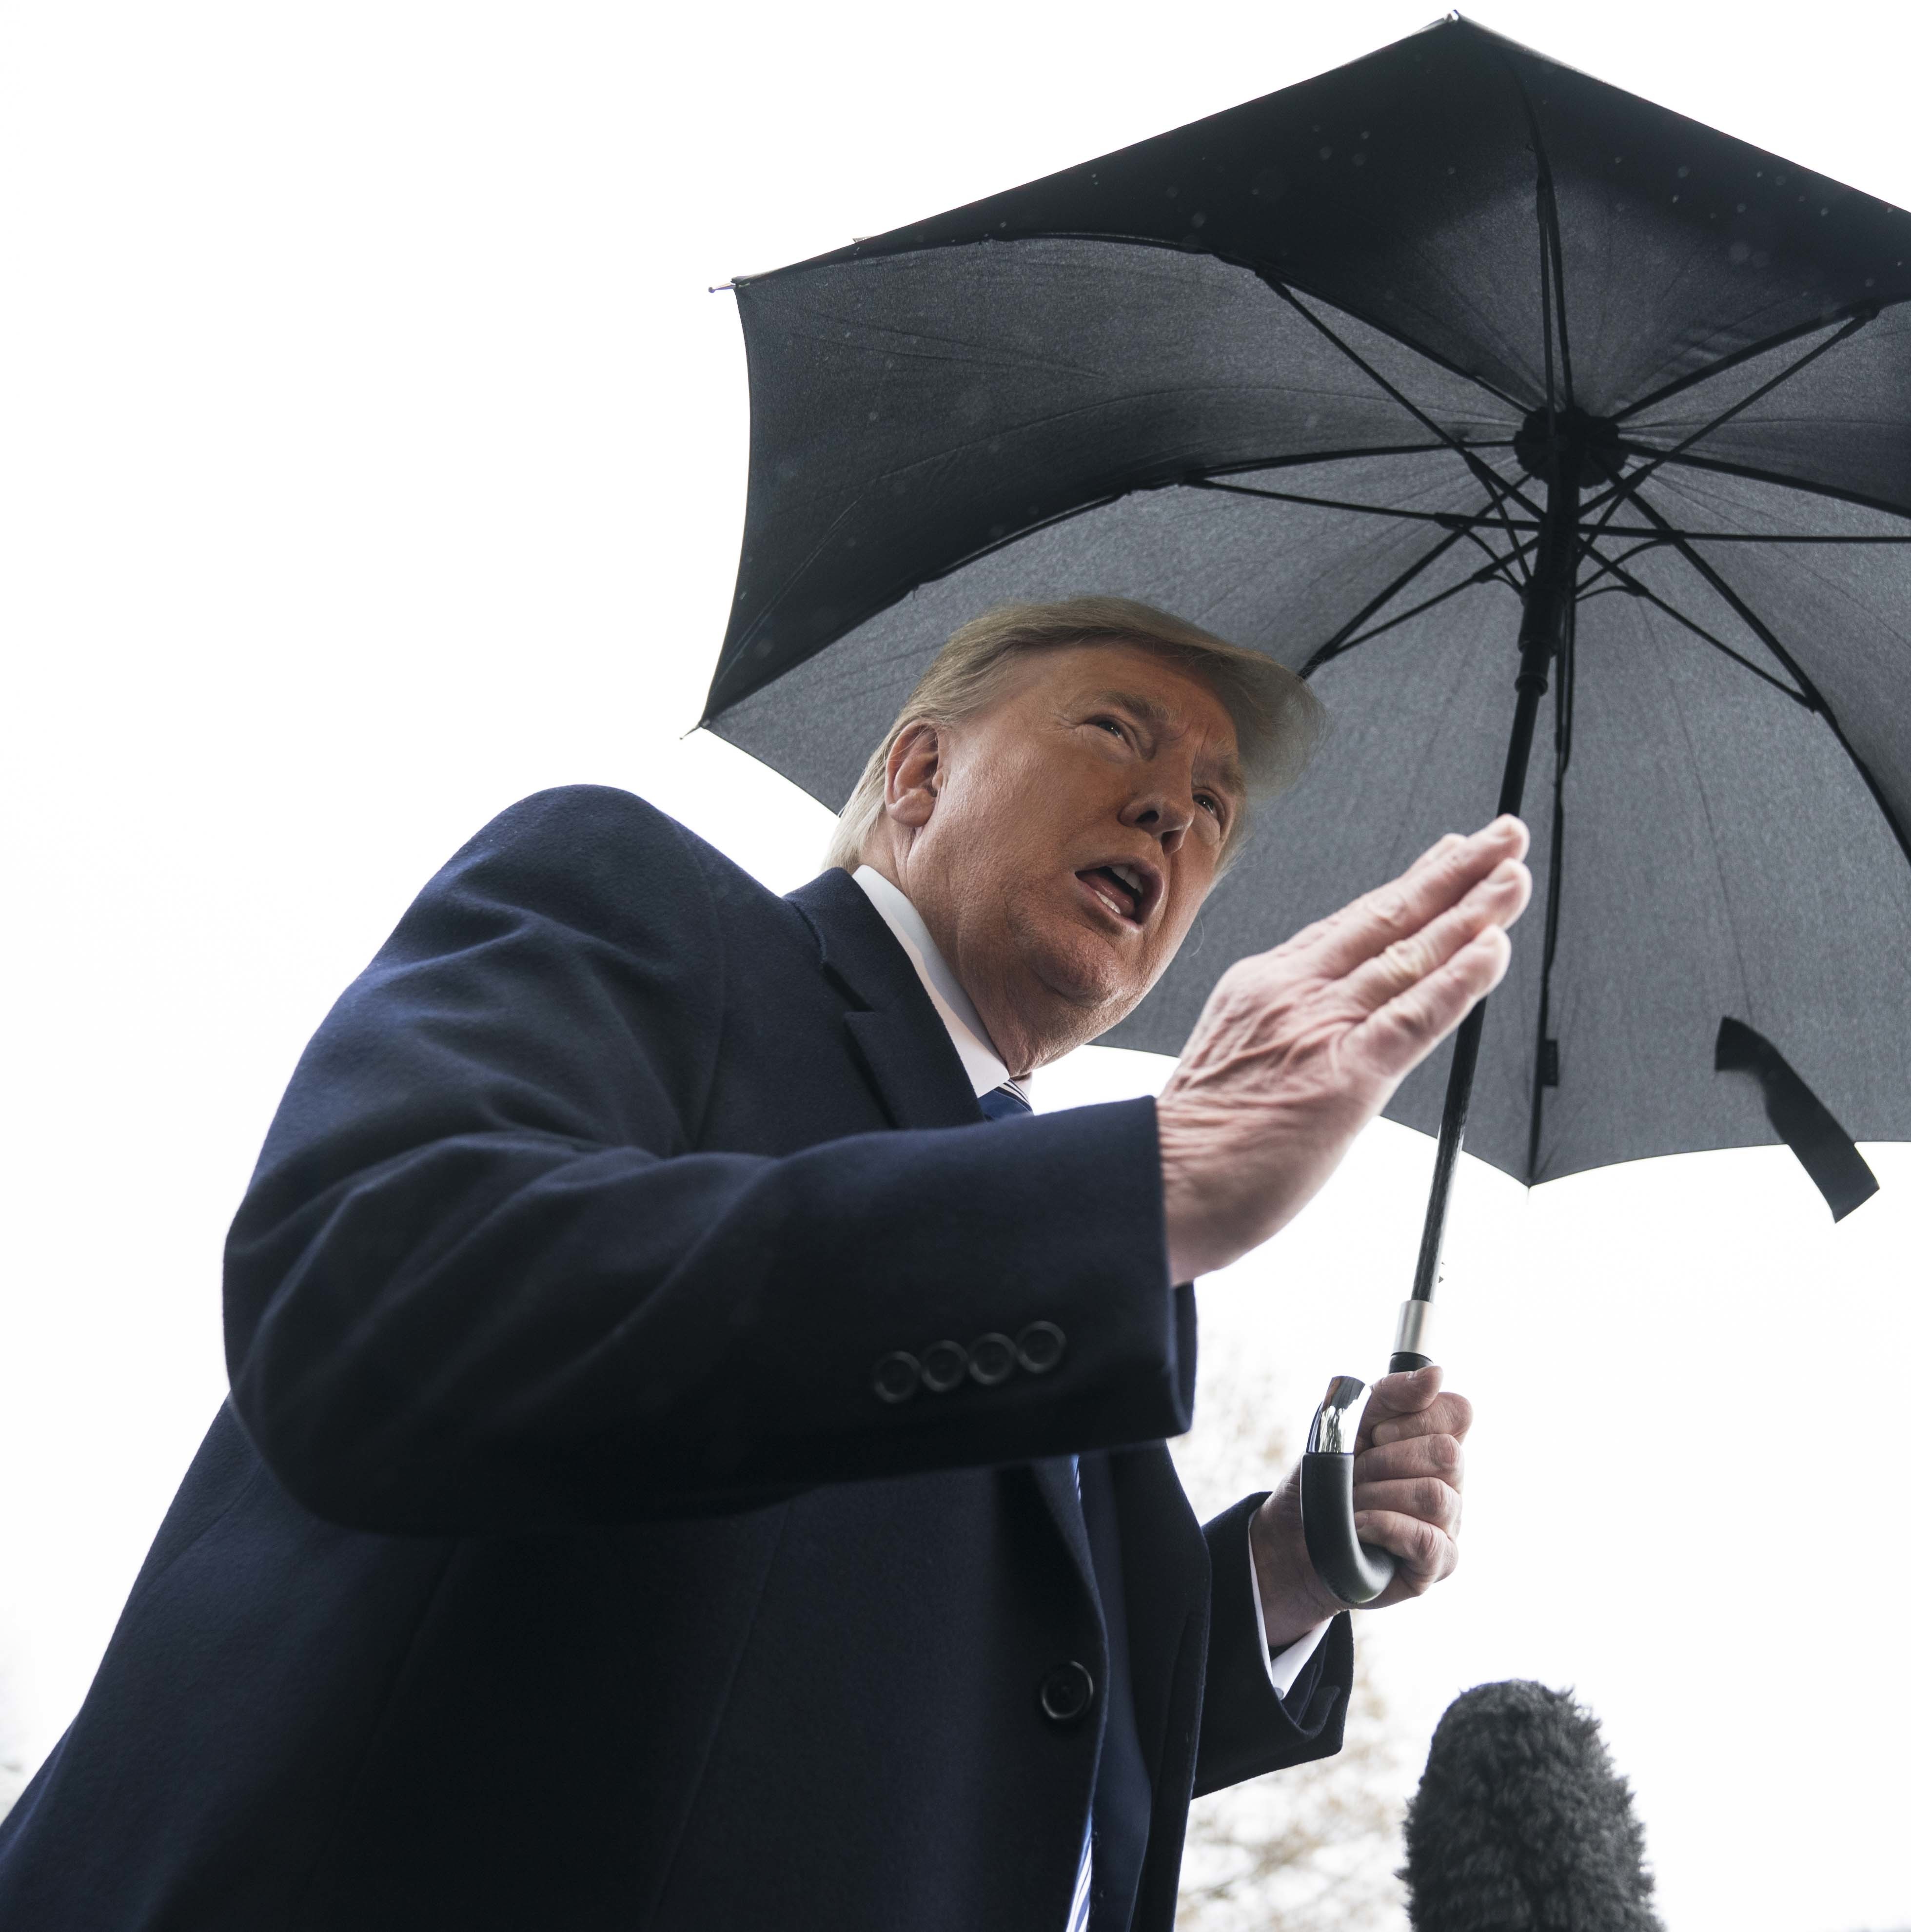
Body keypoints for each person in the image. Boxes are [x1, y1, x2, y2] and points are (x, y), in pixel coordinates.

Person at [0, 597, 1531, 1932]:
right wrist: (1144, 1184)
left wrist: (1283, 1568)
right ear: (918, 774)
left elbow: (1019, 1716)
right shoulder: (643, 907)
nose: (1168, 815)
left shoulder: (1083, 1253)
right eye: (1117, 734)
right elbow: (381, 1298)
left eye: (1209, 811)